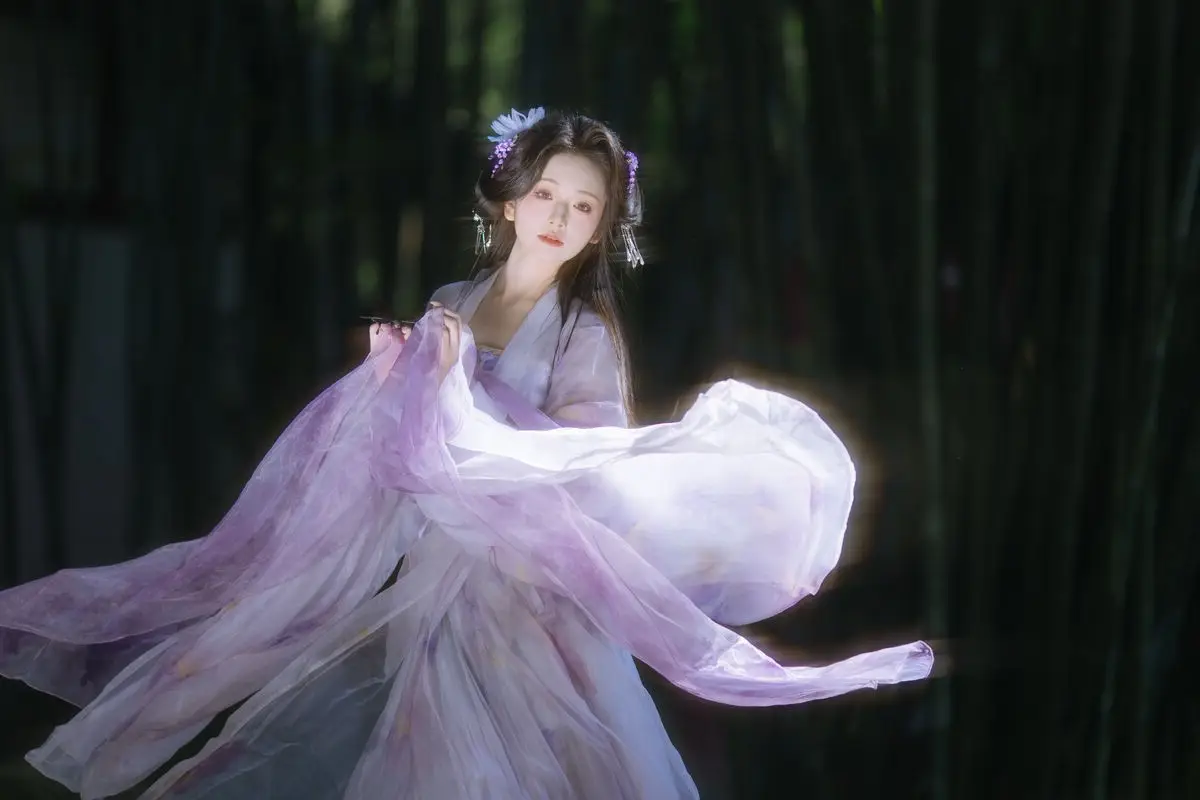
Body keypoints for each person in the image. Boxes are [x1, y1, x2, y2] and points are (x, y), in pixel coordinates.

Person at [0, 108, 932, 799]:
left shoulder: (584, 334)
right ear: (511, 199)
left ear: (601, 227)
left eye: (583, 205)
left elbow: (583, 464)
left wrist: (457, 389)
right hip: (439, 578)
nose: (560, 216)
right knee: (419, 754)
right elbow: (408, 455)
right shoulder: (454, 299)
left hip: (530, 597)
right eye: (547, 195)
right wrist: (398, 379)